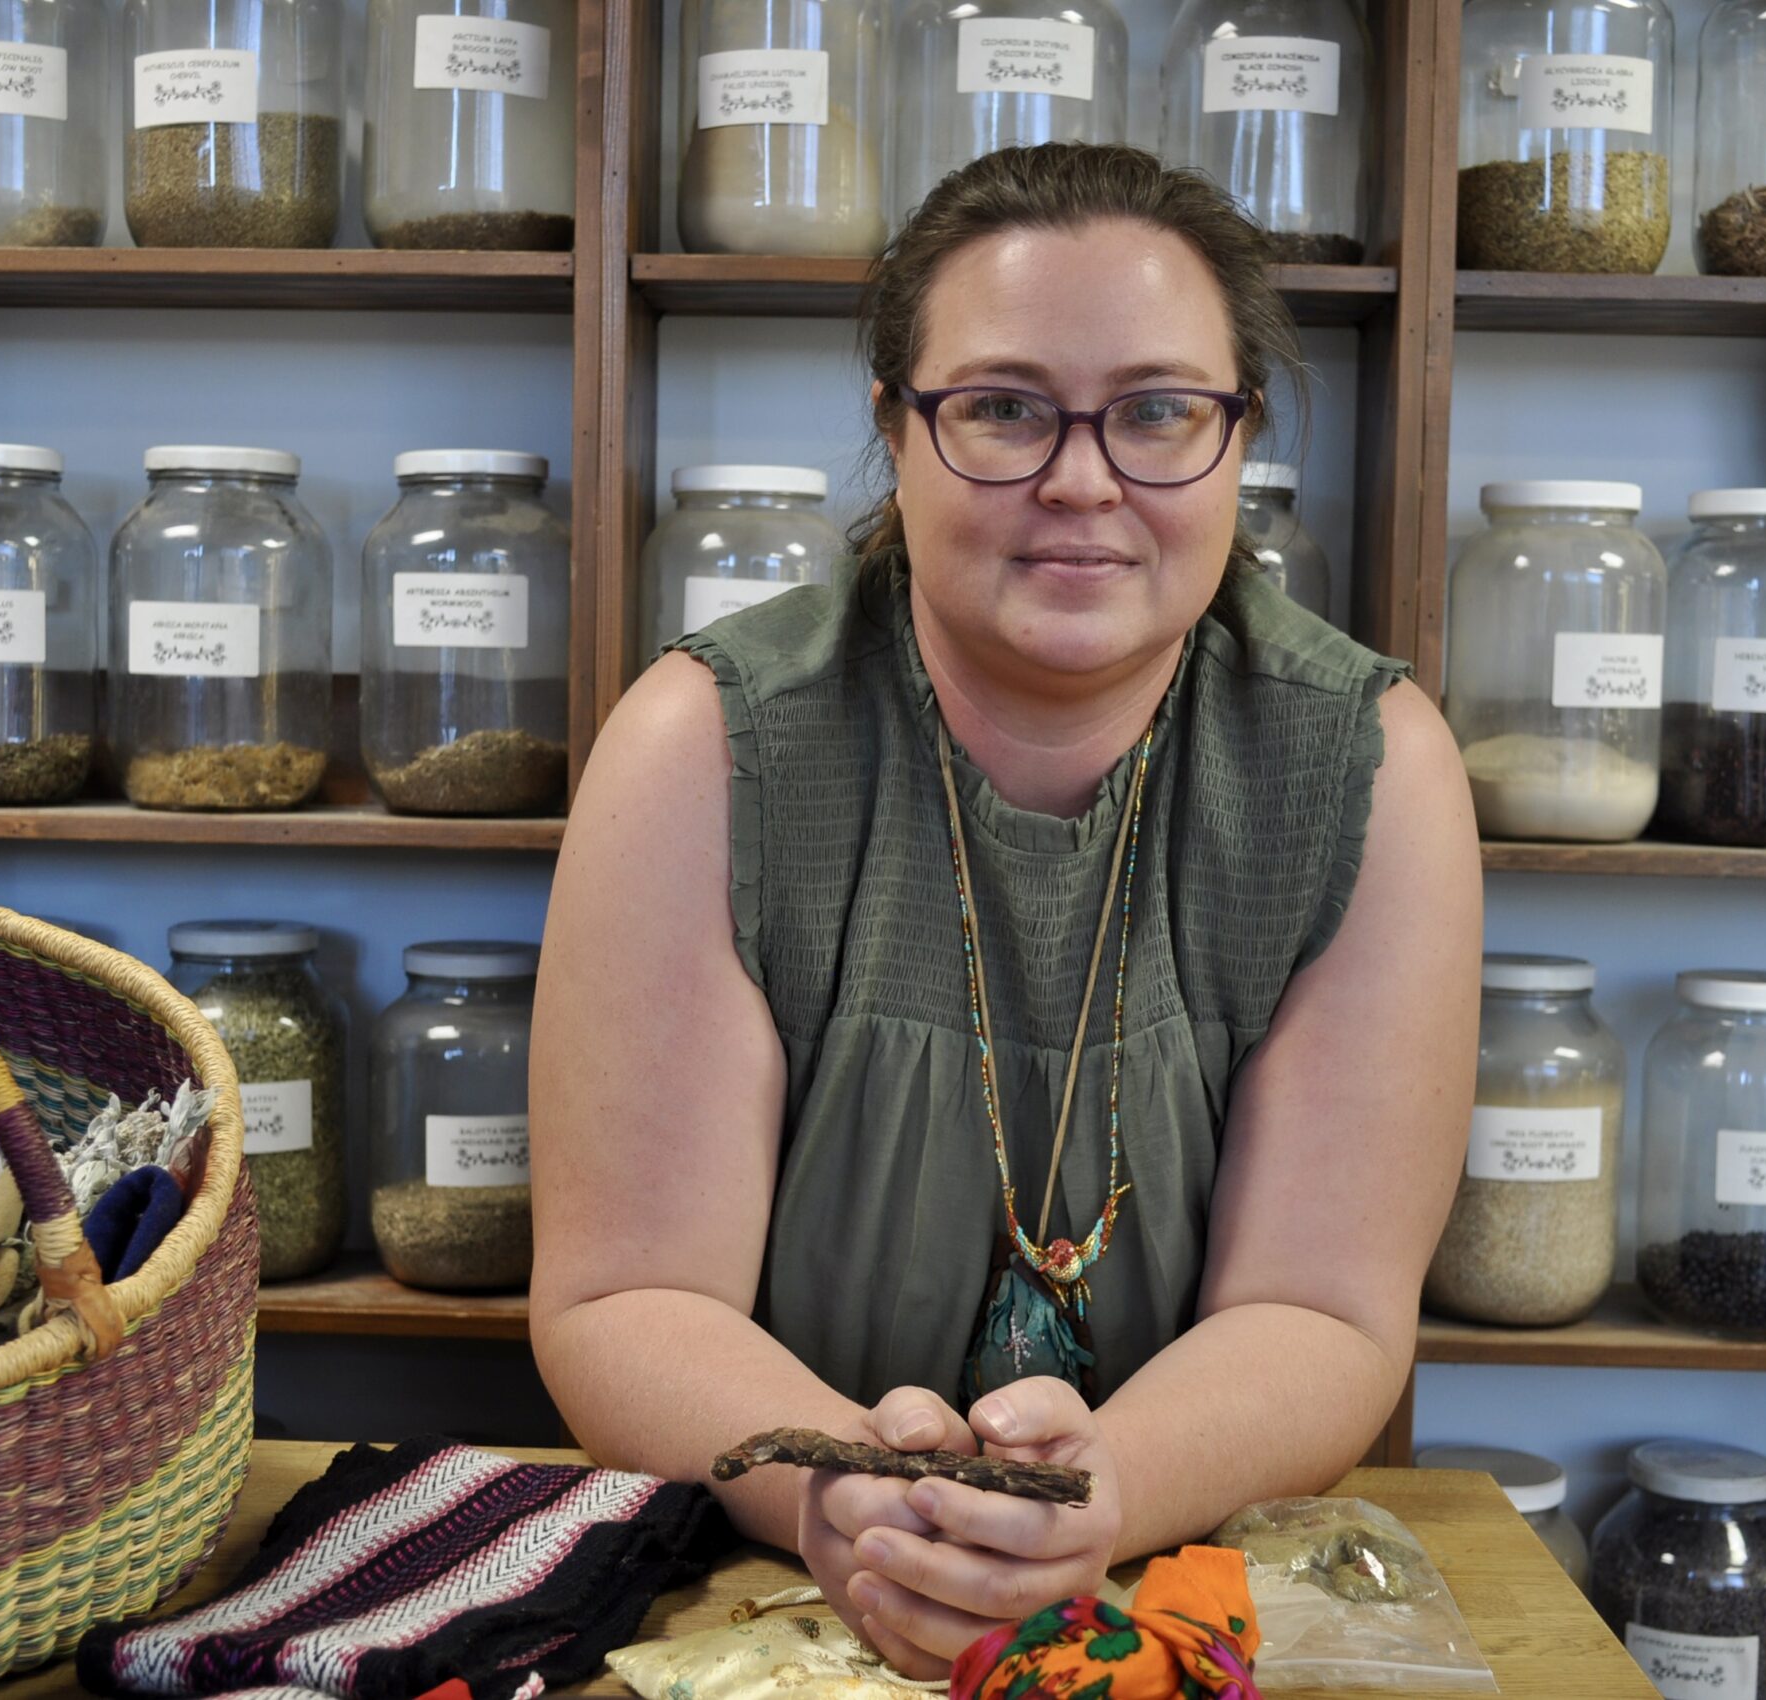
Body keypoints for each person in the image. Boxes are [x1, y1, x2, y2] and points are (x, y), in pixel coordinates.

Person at [529, 144, 1480, 1680]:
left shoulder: (1367, 767)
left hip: (1177, 1600)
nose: (1085, 478)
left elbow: (1326, 1308)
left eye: (1162, 411)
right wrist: (846, 1492)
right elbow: (626, 1293)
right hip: (769, 1592)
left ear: (1241, 439)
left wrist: (1097, 1497)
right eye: (1003, 408)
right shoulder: (703, 745)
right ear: (896, 432)